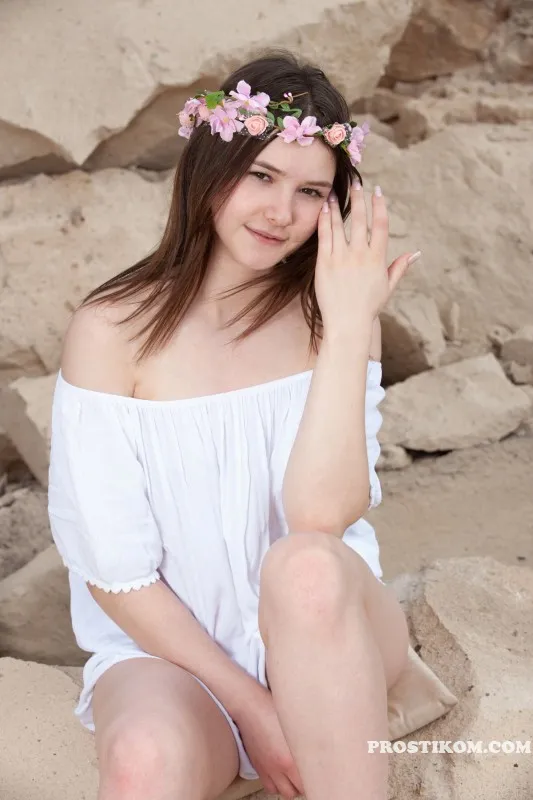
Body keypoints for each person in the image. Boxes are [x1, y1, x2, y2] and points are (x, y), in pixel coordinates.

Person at [48, 50, 418, 800]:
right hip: (175, 662)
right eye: (261, 176)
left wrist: (348, 328)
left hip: (331, 633)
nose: (281, 213)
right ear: (211, 170)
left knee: (304, 567)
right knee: (141, 761)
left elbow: (320, 518)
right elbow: (115, 572)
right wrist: (252, 707)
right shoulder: (112, 331)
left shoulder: (335, 317)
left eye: (310, 191)